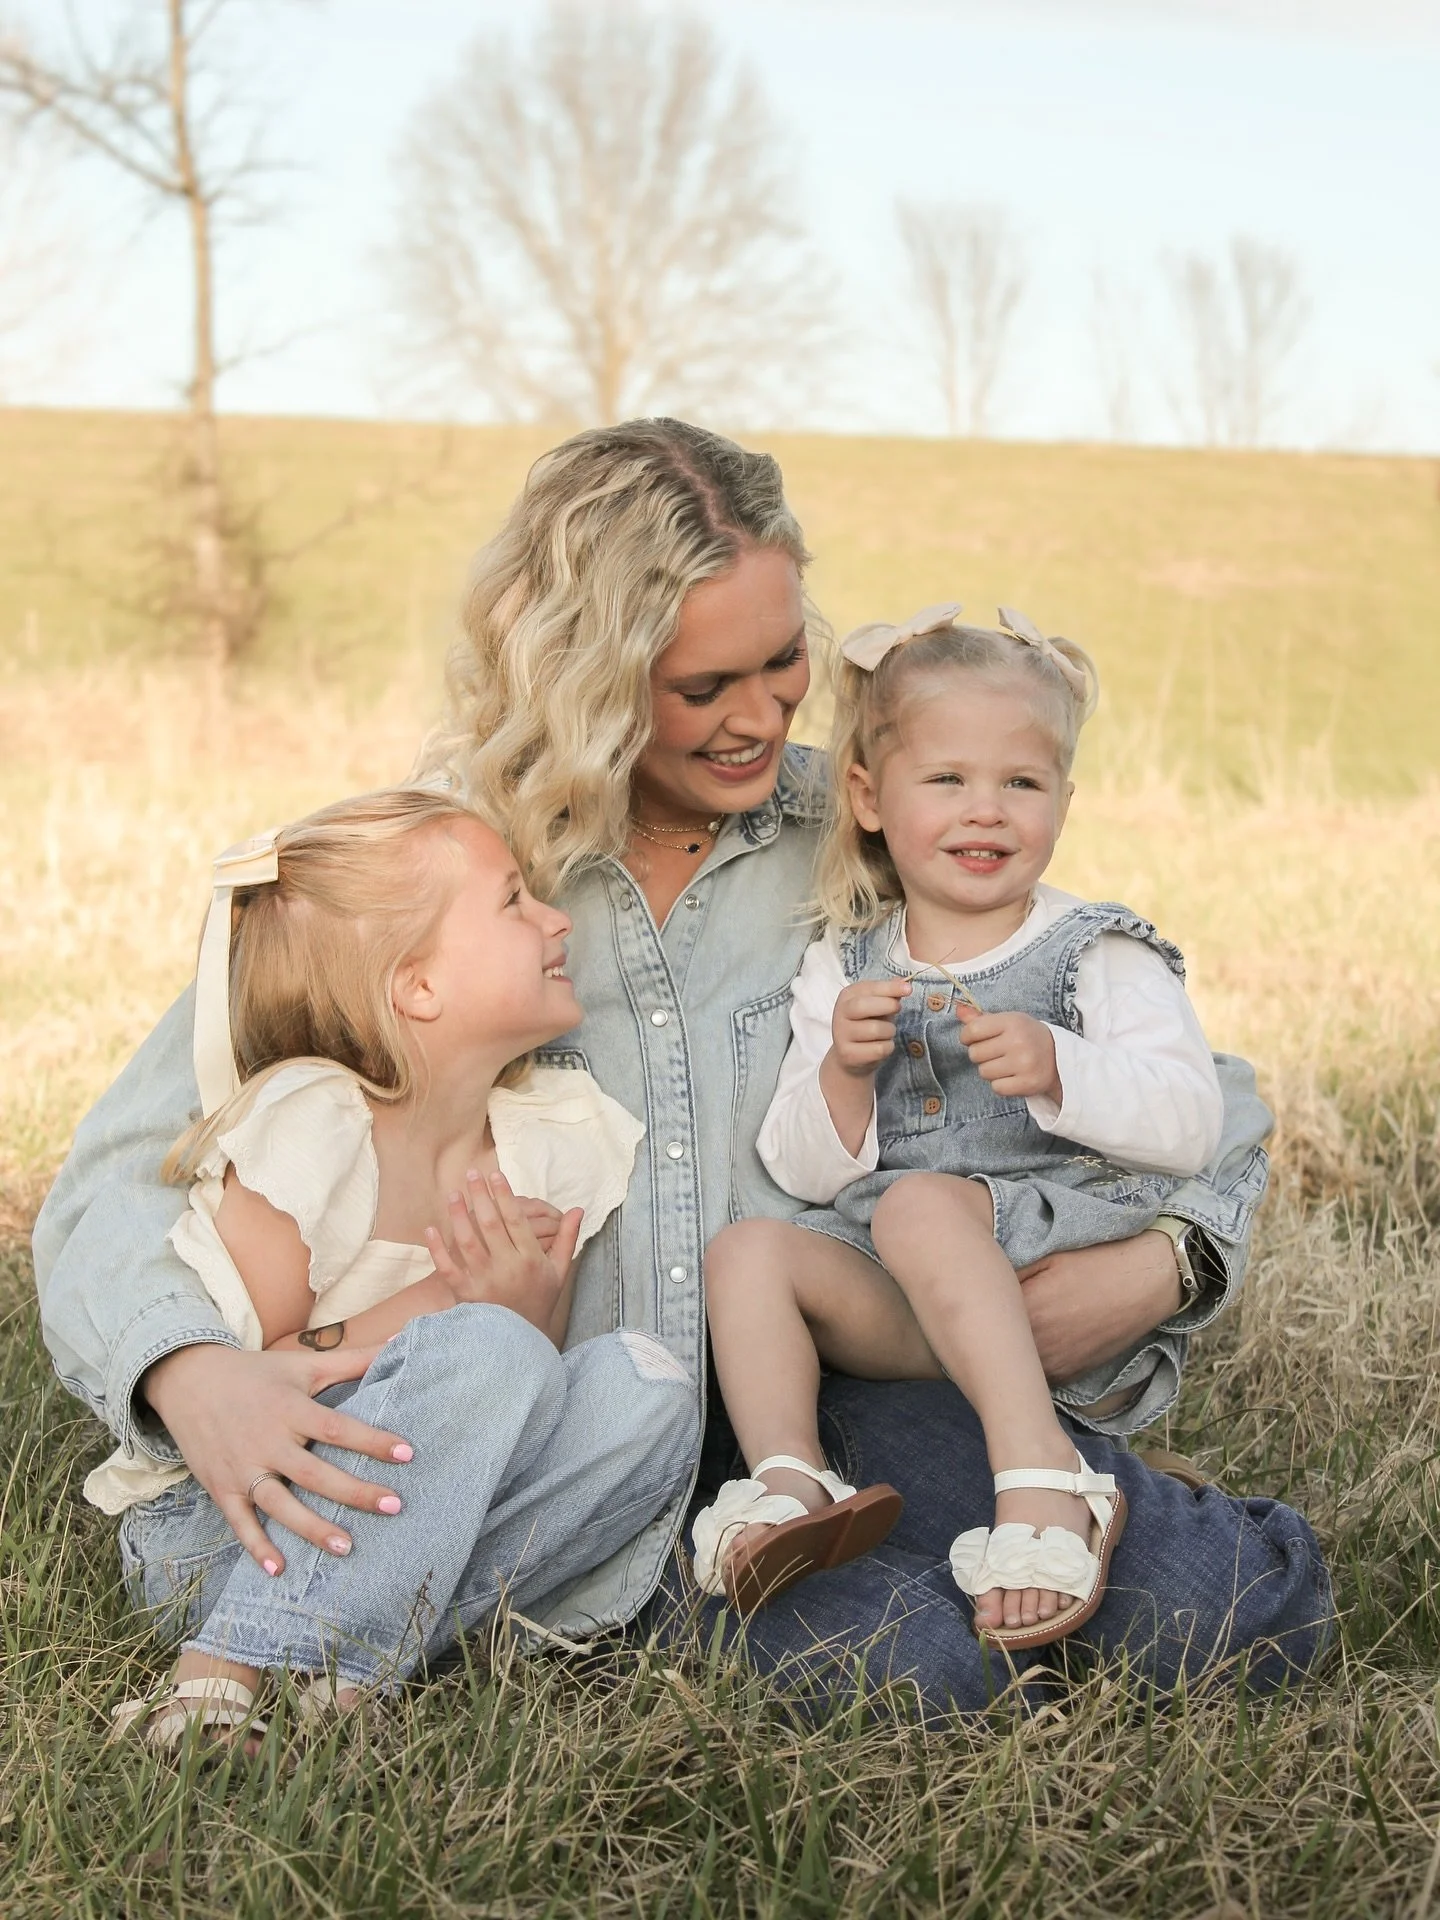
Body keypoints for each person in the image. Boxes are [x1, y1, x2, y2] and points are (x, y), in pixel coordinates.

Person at [33, 419, 1332, 1721]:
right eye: (705, 686)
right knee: (925, 1677)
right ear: (584, 676)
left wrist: (1169, 1262)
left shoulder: (873, 821)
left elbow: (1185, 1076)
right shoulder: (438, 875)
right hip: (594, 1429)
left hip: (844, 1378)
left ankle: (1060, 1493)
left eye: (784, 660)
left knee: (1232, 1621)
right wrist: (187, 1372)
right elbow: (124, 1173)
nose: (762, 715)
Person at [92, 788, 696, 1748]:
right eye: (513, 902)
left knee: (651, 1390)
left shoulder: (549, 1143)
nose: (556, 920)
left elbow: (510, 1402)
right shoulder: (316, 1127)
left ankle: (330, 1666)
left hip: (415, 1528)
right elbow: (254, 1385)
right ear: (417, 987)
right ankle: (221, 1676)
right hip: (230, 1525)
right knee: (487, 1342)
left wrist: (520, 1310)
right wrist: (451, 1298)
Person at [694, 603, 1226, 1652]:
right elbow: (799, 1167)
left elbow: (1193, 1122)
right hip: (917, 1304)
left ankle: (1049, 1478)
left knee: (920, 1206)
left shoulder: (1095, 955)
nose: (986, 811)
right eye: (947, 779)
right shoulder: (844, 965)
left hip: (1051, 1276)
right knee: (749, 1250)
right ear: (868, 796)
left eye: (1021, 783)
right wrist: (845, 1075)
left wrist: (1065, 1067)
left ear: (1065, 801)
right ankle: (791, 1479)